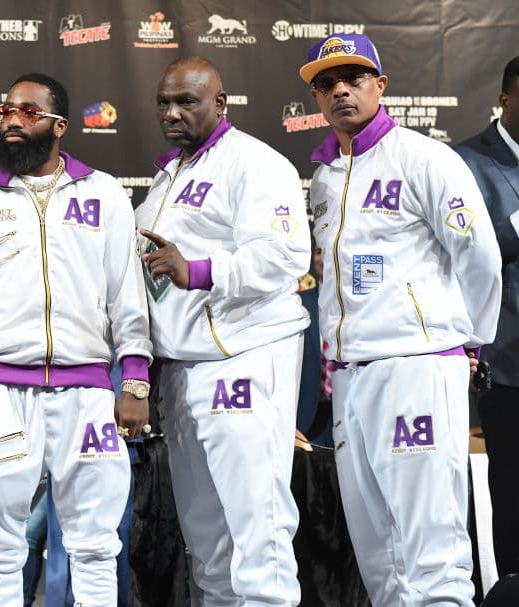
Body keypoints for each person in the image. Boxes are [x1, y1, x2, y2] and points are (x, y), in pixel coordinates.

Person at [0, 72, 152, 607]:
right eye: (6, 110)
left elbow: (127, 294)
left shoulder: (104, 193)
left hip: (89, 394)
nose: (12, 120)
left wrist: (137, 381)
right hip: (1, 394)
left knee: (96, 543)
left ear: (58, 125)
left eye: (28, 112)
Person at [299, 34, 502, 606]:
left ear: (381, 86)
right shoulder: (324, 177)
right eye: (326, 83)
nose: (340, 90)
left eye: (354, 78)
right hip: (351, 377)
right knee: (378, 555)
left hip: (417, 365)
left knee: (429, 549)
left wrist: (470, 343)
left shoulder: (426, 158)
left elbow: (480, 257)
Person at [135, 56, 309, 605]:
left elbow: (285, 255)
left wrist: (200, 270)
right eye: (164, 102)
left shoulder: (257, 163)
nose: (172, 112)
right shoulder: (168, 176)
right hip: (183, 371)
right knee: (207, 544)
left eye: (187, 101)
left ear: (221, 102)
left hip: (245, 356)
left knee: (258, 528)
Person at [456, 55, 519, 578]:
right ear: (505, 99)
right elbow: (466, 257)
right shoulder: (465, 164)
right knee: (515, 497)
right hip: (508, 366)